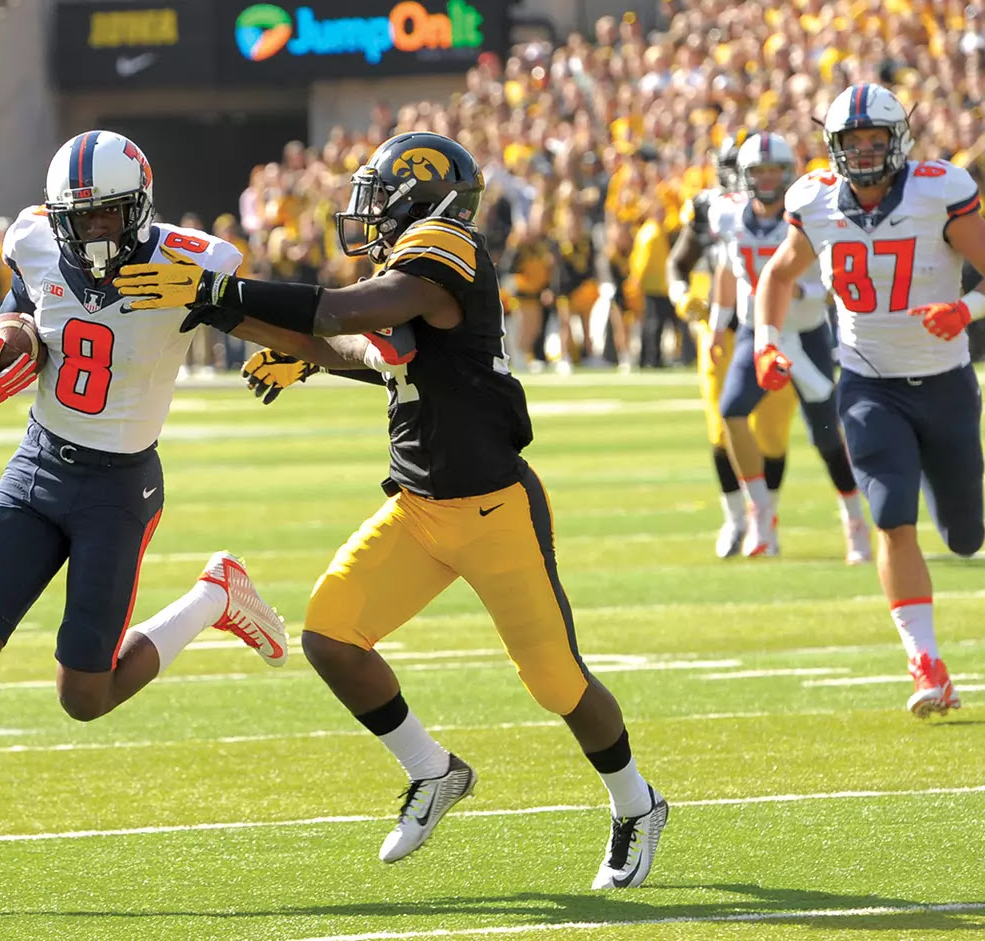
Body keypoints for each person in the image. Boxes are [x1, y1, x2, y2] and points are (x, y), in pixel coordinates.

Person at [118, 132, 668, 889]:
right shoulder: (410, 270)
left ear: (424, 197)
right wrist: (235, 323)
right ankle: (433, 770)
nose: (368, 211)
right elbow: (364, 350)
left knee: (555, 681)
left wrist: (216, 293)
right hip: (419, 509)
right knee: (332, 635)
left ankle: (637, 803)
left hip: (493, 511)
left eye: (382, 195)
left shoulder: (448, 248)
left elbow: (339, 313)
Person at [0, 130, 290, 916]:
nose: (92, 231)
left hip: (117, 488)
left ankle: (214, 597)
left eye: (106, 214)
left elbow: (269, 317)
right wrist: (6, 337)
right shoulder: (32, 239)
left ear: (139, 207)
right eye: (78, 217)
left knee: (84, 696)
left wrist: (292, 346)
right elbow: (25, 307)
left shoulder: (194, 261)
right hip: (38, 465)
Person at [754, 83, 985, 718]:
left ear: (899, 139)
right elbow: (778, 274)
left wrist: (965, 309)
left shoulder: (939, 192)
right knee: (891, 518)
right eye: (853, 141)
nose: (865, 151)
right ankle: (925, 662)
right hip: (868, 383)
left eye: (876, 139)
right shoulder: (815, 201)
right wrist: (767, 341)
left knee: (964, 536)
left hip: (946, 383)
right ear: (834, 146)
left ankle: (939, 496)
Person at [707, 132, 869, 563]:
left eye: (774, 170)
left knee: (826, 436)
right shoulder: (729, 215)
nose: (766, 179)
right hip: (757, 333)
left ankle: (855, 520)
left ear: (788, 173)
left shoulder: (807, 215)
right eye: (758, 171)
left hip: (807, 331)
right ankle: (760, 510)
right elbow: (727, 269)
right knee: (731, 411)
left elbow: (833, 283)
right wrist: (717, 325)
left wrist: (800, 292)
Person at [667, 139, 799, 557]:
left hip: (779, 328)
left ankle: (766, 518)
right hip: (721, 331)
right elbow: (677, 263)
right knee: (720, 428)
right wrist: (681, 295)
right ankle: (736, 518)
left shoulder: (793, 207)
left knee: (772, 435)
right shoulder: (710, 208)